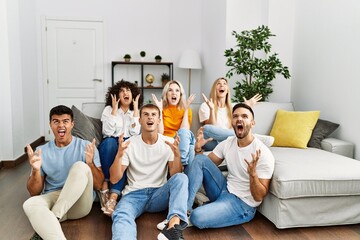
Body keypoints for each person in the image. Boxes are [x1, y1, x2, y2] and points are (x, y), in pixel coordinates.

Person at [187, 103, 275, 228]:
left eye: (245, 116)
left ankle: (205, 208)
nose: (239, 119)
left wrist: (253, 174)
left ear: (252, 123)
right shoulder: (228, 142)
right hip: (224, 189)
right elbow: (203, 165)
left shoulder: (263, 153)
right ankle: (183, 211)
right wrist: (198, 149)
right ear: (232, 122)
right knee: (200, 159)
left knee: (197, 217)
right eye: (236, 116)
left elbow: (258, 196)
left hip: (242, 205)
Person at [23, 105, 104, 240]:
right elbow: (34, 192)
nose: (61, 125)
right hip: (54, 197)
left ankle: (53, 217)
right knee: (29, 204)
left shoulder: (86, 146)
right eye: (56, 121)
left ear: (72, 124)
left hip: (79, 203)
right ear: (50, 124)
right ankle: (55, 220)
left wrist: (90, 164)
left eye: (65, 121)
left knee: (80, 166)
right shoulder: (41, 151)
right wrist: (36, 170)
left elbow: (99, 185)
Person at [110, 104, 189, 240]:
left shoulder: (168, 142)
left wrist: (176, 156)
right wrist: (118, 155)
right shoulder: (129, 144)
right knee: (121, 214)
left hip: (159, 194)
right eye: (145, 114)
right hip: (134, 195)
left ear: (159, 120)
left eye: (153, 114)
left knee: (182, 178)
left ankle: (173, 229)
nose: (150, 117)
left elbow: (175, 175)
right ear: (140, 120)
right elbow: (114, 179)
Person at [97, 80, 142, 216]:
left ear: (133, 94)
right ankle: (105, 183)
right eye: (122, 91)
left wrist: (135, 114)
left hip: (128, 143)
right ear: (116, 95)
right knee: (111, 142)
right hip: (110, 144)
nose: (125, 93)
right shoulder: (108, 110)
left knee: (125, 148)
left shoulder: (136, 112)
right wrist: (115, 111)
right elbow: (107, 132)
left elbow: (136, 133)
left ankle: (113, 197)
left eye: (128, 90)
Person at [199, 77, 262, 151]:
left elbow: (241, 121)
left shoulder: (234, 107)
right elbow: (211, 128)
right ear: (214, 89)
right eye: (218, 83)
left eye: (224, 84)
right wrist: (212, 109)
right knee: (206, 128)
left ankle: (246, 138)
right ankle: (250, 137)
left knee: (233, 139)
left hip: (230, 142)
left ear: (227, 90)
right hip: (212, 142)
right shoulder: (205, 105)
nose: (222, 85)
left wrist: (247, 106)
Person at [152, 80, 196, 172]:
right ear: (166, 94)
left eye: (177, 90)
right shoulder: (161, 109)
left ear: (180, 95)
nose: (173, 93)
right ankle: (186, 177)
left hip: (180, 141)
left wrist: (186, 109)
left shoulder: (186, 109)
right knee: (191, 149)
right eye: (170, 90)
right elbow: (160, 133)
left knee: (186, 137)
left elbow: (185, 131)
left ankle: (181, 161)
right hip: (166, 141)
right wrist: (159, 110)